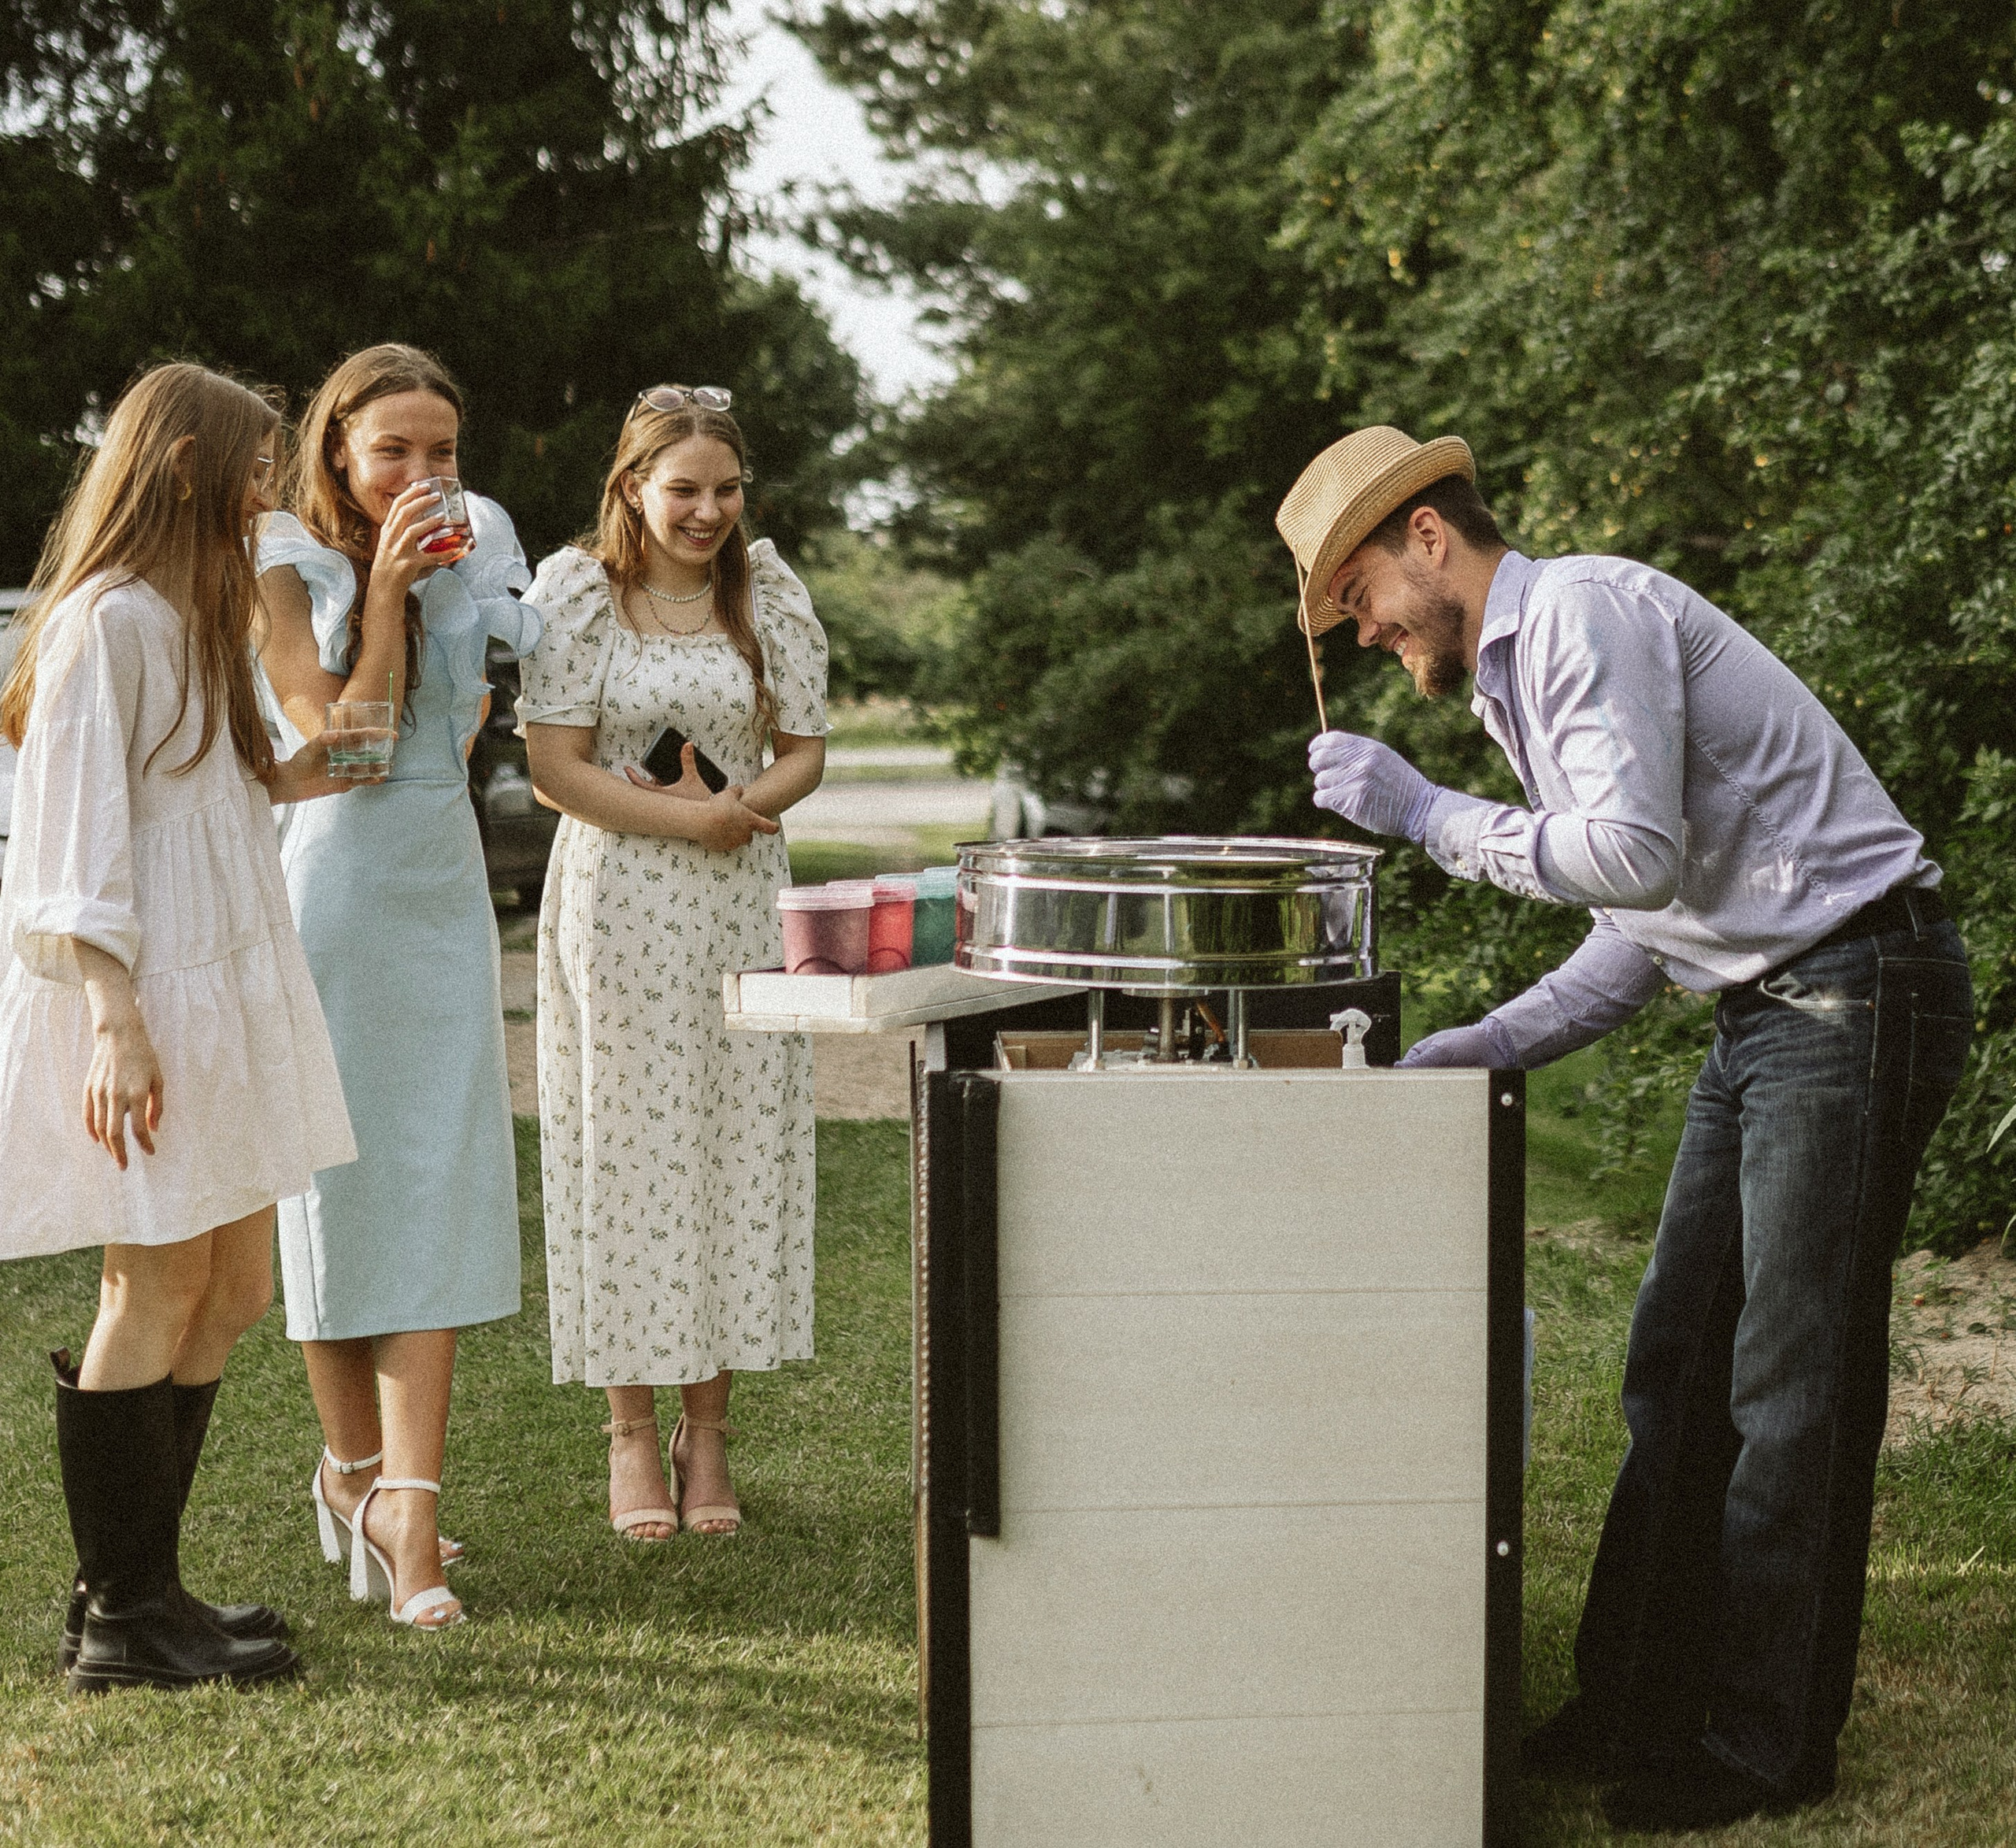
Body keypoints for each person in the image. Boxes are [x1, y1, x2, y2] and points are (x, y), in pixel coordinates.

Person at [1275, 426, 1973, 1831]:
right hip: (1769, 1002)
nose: (1362, 634)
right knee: (1676, 1353)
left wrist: (1423, 817)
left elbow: (1631, 855)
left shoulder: (1585, 612)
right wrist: (1494, 1043)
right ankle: (1641, 1695)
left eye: (1359, 596)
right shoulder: (1513, 684)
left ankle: (1767, 1743)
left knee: (1790, 1382)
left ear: (1427, 536)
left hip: (1854, 984)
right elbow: (1640, 928)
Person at [0, 361, 361, 1691]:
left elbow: (224, 790)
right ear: (191, 468)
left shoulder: (191, 611)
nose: (269, 492)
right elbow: (74, 843)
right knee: (150, 1282)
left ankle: (142, 1590)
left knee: (235, 1287)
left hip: (228, 979)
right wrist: (113, 1020)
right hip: (143, 997)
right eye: (256, 469)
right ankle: (122, 1618)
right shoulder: (103, 623)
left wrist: (332, 756)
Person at [255, 343, 541, 1630]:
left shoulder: (481, 548)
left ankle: (409, 1497)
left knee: (438, 1172)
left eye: (444, 454)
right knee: (340, 1179)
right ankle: (354, 1476)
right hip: (337, 892)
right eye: (395, 453)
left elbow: (471, 721)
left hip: (440, 886)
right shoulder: (283, 563)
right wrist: (382, 599)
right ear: (337, 457)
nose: (426, 478)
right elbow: (345, 744)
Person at [520, 386, 828, 1541]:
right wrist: (677, 823)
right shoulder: (579, 596)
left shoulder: (770, 594)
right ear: (632, 489)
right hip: (620, 905)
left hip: (740, 894)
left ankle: (713, 1436)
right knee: (629, 1149)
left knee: (729, 1144)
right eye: (683, 489)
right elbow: (556, 767)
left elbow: (805, 750)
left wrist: (737, 806)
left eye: (725, 489)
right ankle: (631, 1434)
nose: (706, 510)